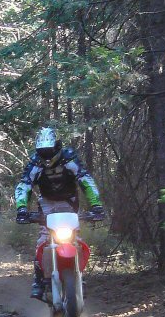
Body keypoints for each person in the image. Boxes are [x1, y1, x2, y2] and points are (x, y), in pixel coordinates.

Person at [14, 127, 104, 299]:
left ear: (56, 147)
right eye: (43, 152)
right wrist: (22, 209)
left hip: (69, 202)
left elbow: (85, 180)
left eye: (49, 151)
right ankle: (38, 279)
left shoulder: (69, 158)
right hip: (47, 203)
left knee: (75, 238)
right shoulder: (35, 163)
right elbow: (24, 185)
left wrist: (96, 206)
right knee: (43, 239)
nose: (46, 156)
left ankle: (77, 272)